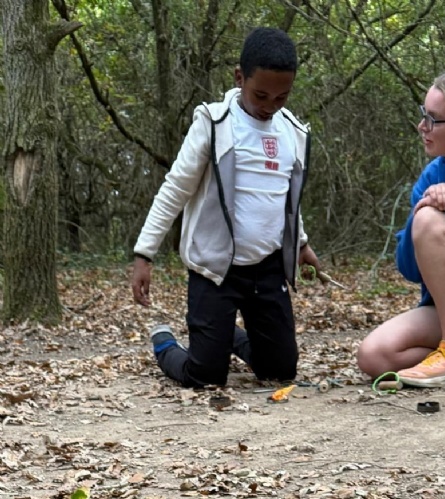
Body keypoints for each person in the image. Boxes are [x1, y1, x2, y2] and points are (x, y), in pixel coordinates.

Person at [131, 27, 320, 388]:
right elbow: (175, 189)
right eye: (260, 95)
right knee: (205, 377)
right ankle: (164, 341)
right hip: (216, 267)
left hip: (267, 268)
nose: (270, 105)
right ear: (239, 77)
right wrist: (144, 254)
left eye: (281, 97)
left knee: (280, 371)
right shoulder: (215, 124)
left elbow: (283, 199)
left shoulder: (292, 132)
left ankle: (223, 336)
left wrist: (301, 243)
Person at [357, 67, 445, 388]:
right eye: (424, 114)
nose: (422, 126)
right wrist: (421, 209)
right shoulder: (435, 174)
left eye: (434, 119)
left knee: (430, 219)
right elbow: (409, 268)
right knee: (373, 357)